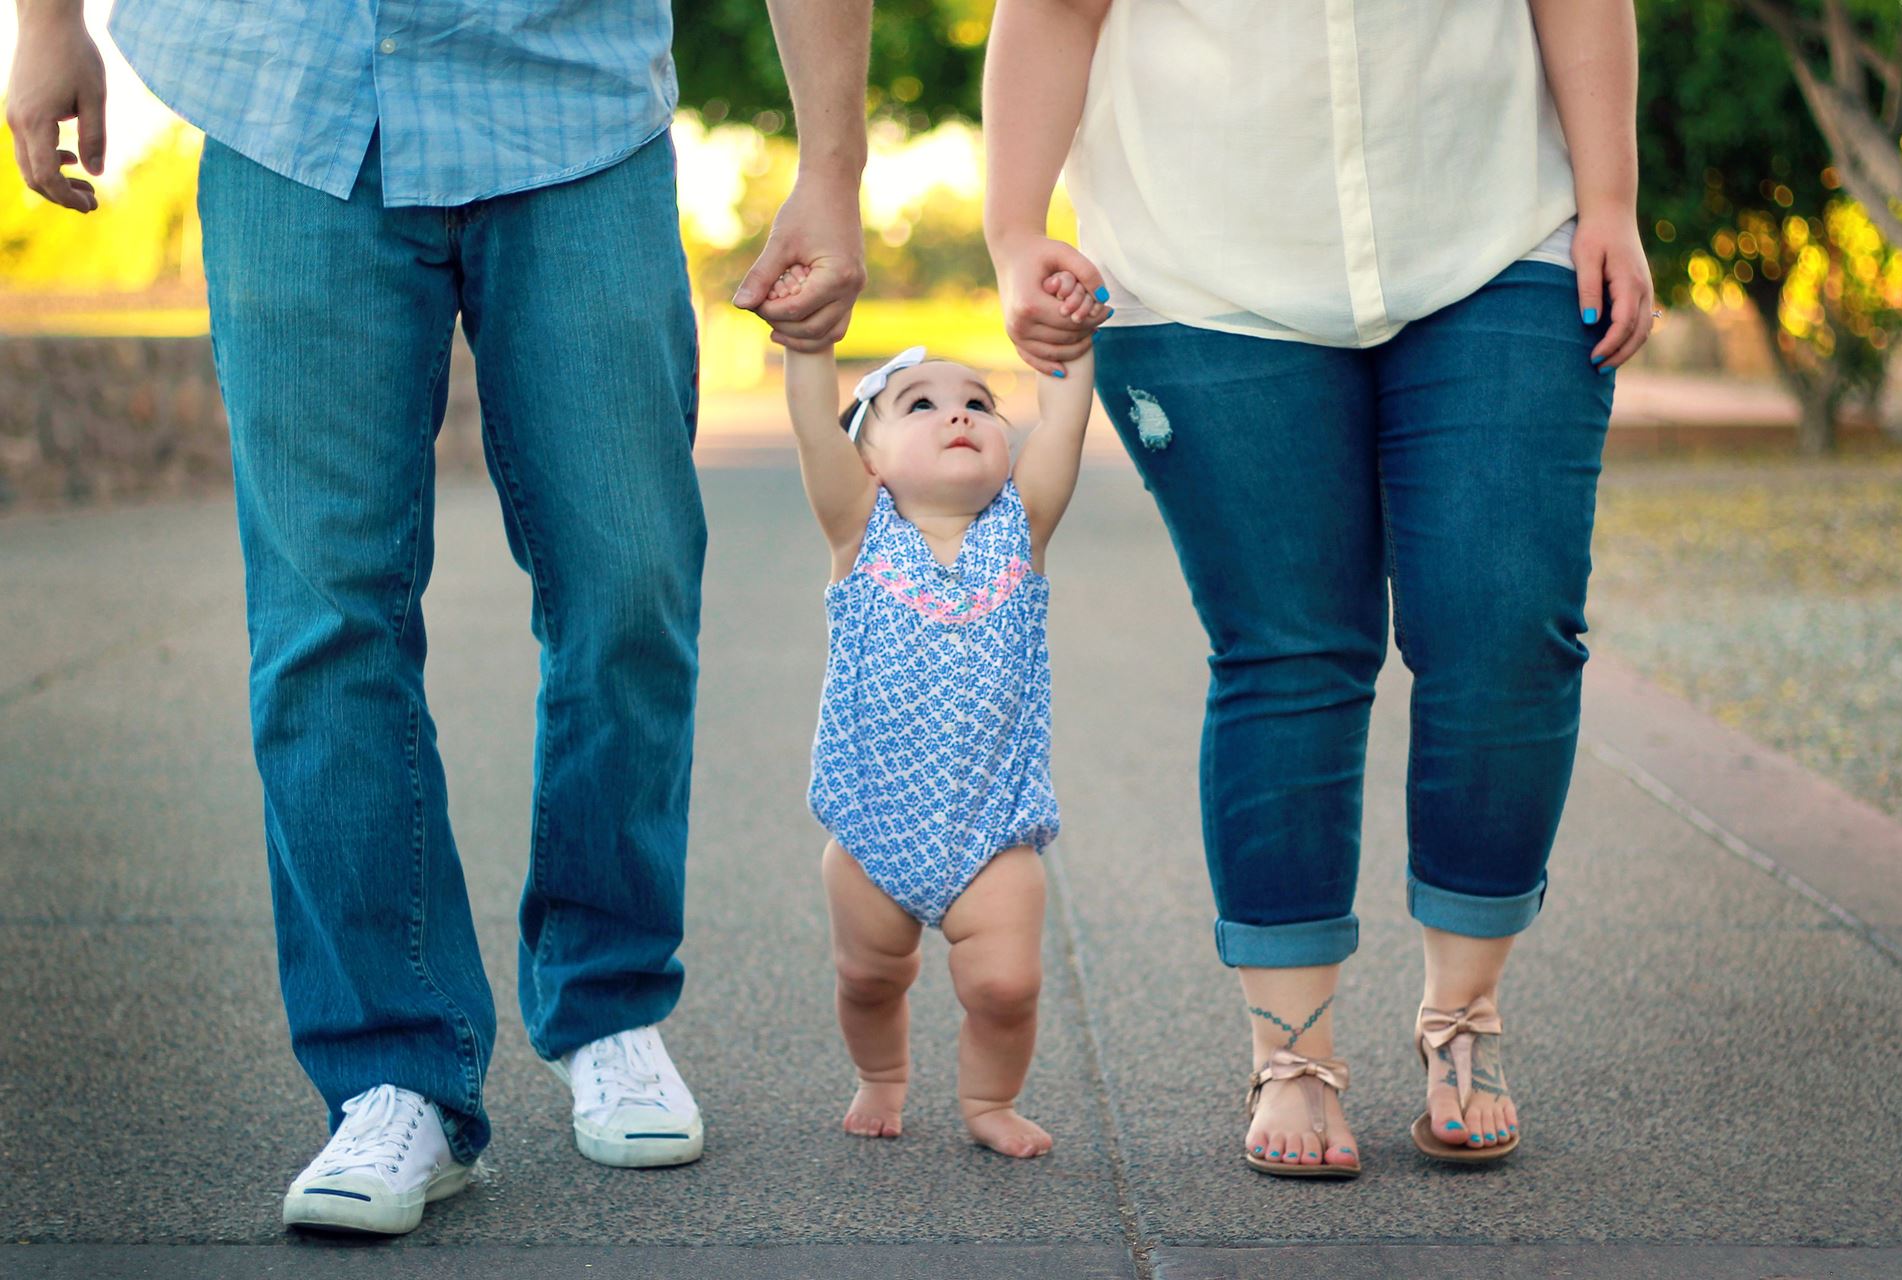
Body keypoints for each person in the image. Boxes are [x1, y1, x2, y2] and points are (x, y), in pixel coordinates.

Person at [7, 0, 872, 1234]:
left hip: (571, 101)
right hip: (289, 97)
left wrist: (832, 165)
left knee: (631, 578)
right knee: (323, 621)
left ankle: (608, 997)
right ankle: (391, 1069)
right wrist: (47, 25)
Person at [983, 0, 1655, 1176]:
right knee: (1289, 649)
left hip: (1498, 233)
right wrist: (1010, 230)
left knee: (1506, 624)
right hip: (1200, 263)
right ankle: (1290, 1049)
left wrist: (1610, 196)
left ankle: (1464, 1015)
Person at [768, 262, 1104, 1157]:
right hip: (873, 829)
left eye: (980, 404)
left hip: (992, 831)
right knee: (869, 976)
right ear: (869, 460)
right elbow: (812, 429)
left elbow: (1064, 422)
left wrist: (1064, 347)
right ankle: (882, 1074)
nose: (959, 413)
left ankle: (989, 1100)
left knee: (1005, 988)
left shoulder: (1021, 528)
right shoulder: (860, 532)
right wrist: (809, 344)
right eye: (919, 405)